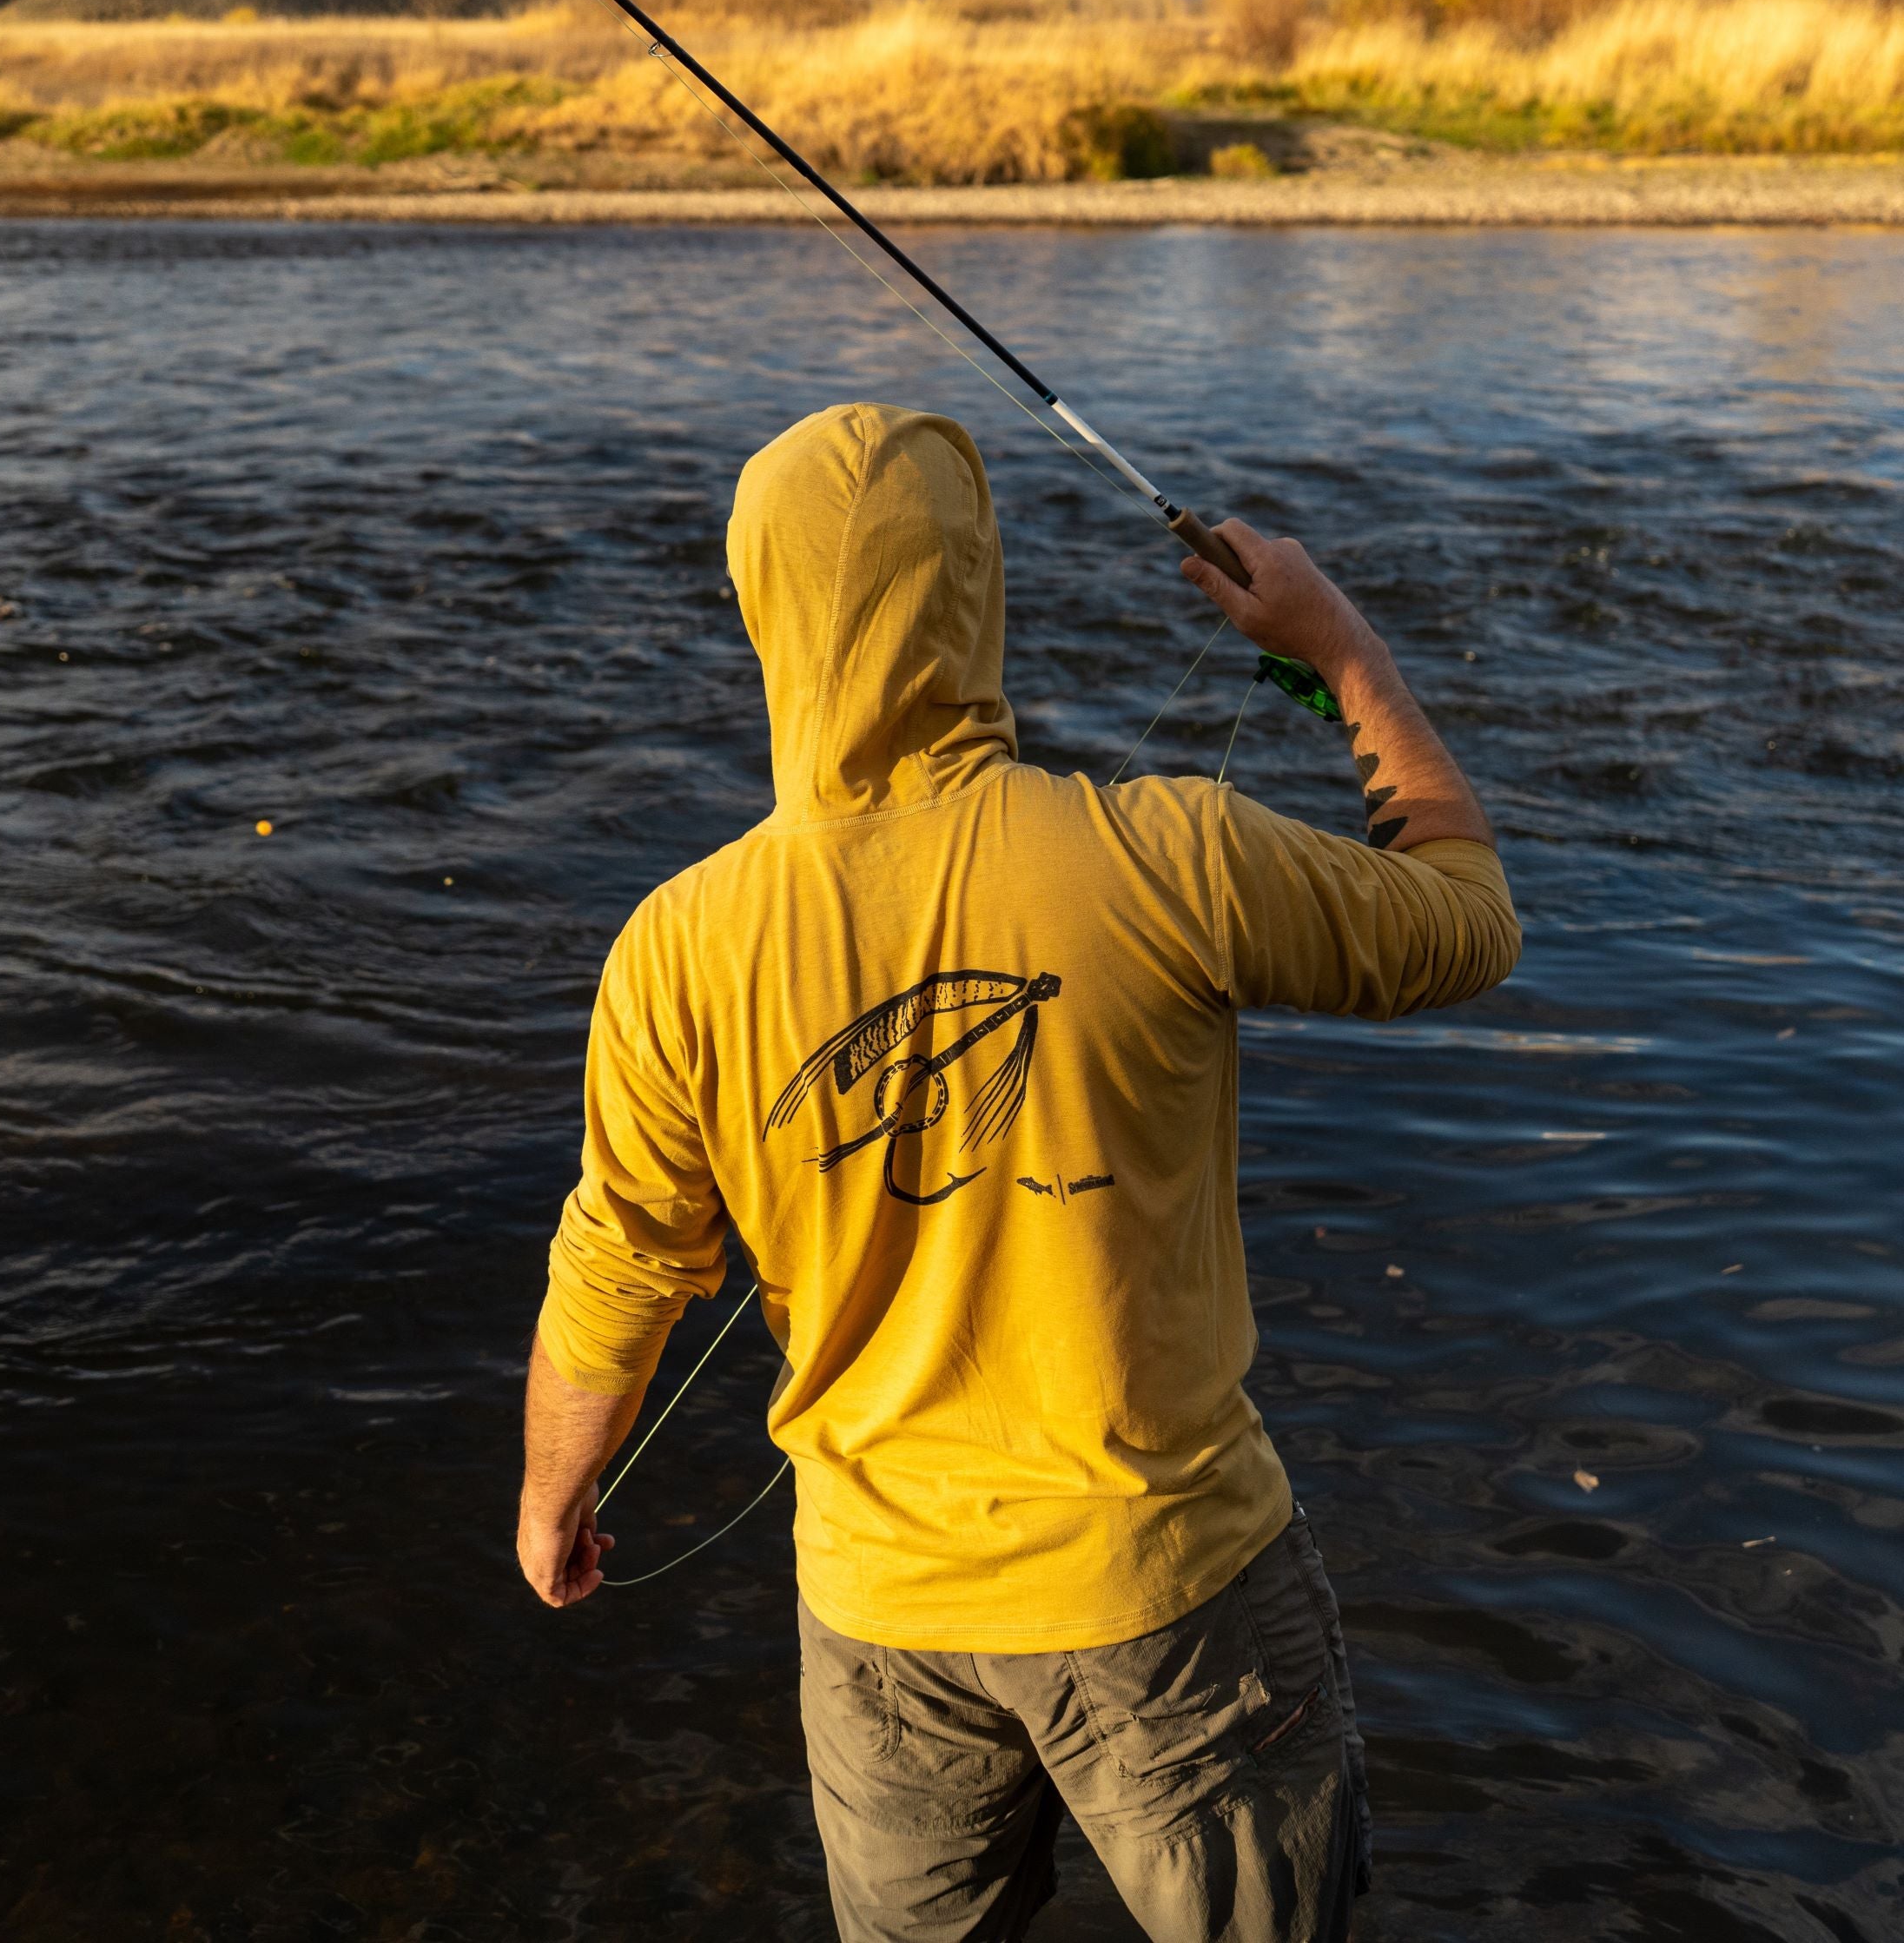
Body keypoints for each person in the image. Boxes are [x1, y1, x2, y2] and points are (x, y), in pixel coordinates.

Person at [516, 403, 1519, 1943]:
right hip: (1176, 1598)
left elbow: (620, 1259)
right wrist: (1339, 650)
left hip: (877, 1620)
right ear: (978, 594)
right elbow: (1466, 917)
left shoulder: (673, 949)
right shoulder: (1168, 849)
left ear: (763, 611)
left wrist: (554, 1492)